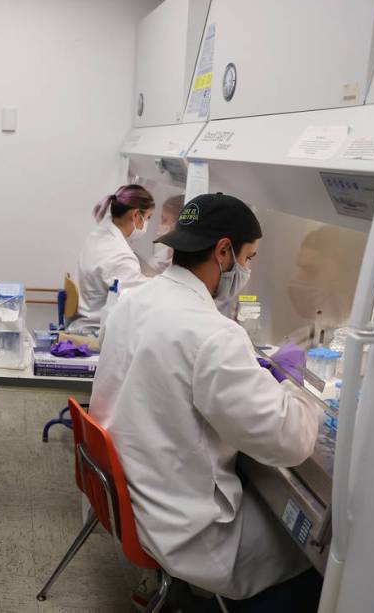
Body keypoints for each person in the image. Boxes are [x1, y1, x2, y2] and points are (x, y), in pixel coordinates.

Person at [89, 194, 323, 611]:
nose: (247, 270)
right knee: (316, 553)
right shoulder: (212, 333)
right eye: (248, 258)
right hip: (187, 527)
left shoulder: (134, 301)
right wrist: (299, 391)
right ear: (223, 252)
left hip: (134, 494)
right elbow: (288, 441)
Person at [76, 184, 156, 321]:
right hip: (95, 328)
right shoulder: (118, 255)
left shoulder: (101, 232)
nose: (147, 223)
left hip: (87, 313)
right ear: (136, 215)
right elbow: (141, 298)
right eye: (148, 217)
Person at [146, 194, 185, 274]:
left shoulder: (185, 263)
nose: (161, 224)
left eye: (165, 220)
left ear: (178, 224)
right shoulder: (162, 254)